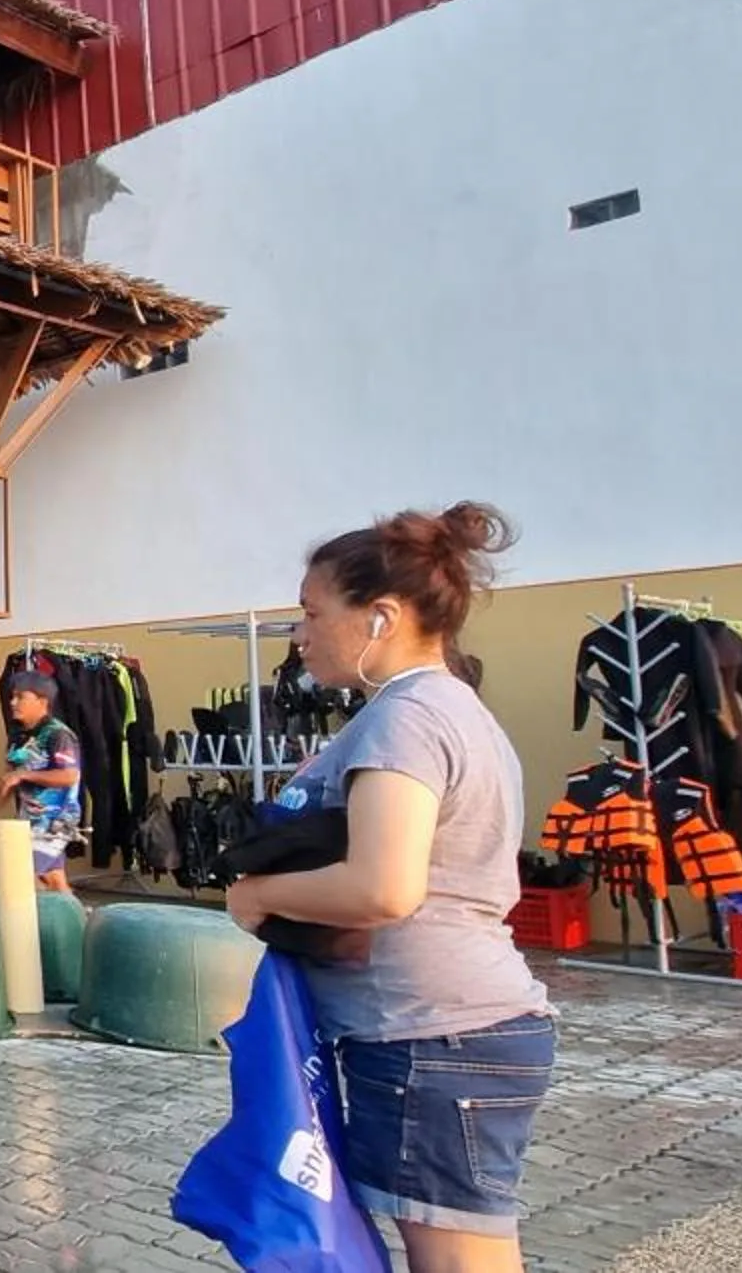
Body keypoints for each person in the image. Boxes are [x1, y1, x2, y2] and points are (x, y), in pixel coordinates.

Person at [224, 502, 552, 1272]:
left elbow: (383, 888)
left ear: (381, 617)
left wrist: (260, 897)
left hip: (431, 1036)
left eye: (311, 612)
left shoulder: (402, 720)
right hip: (457, 1028)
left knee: (457, 1259)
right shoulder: (449, 709)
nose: (299, 633)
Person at [0, 674, 83, 893]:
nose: (12, 703)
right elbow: (14, 776)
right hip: (29, 819)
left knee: (22, 877)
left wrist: (24, 775)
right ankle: (77, 923)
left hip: (55, 819)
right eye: (12, 697)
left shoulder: (59, 734)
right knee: (55, 881)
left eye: (20, 697)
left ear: (42, 701)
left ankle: (30, 925)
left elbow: (69, 776)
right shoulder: (18, 736)